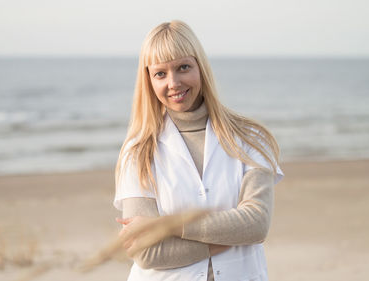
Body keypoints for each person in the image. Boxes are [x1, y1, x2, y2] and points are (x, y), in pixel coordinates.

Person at [113, 20, 283, 281]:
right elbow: (145, 252)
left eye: (183, 67)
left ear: (200, 67)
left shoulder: (250, 138)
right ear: (148, 80)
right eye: (160, 73)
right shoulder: (137, 151)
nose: (174, 83)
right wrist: (218, 243)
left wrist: (166, 226)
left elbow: (256, 223)